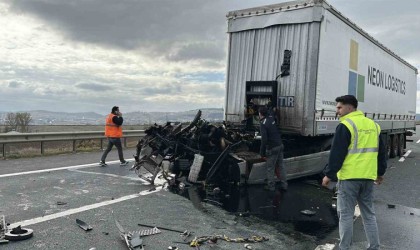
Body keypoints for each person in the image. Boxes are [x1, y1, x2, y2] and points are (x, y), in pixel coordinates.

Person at [322, 95, 387, 250]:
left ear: (350, 108)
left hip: (349, 178)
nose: (337, 111)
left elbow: (337, 154)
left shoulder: (346, 125)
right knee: (369, 214)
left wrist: (329, 175)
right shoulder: (373, 125)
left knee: (345, 215)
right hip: (368, 178)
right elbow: (381, 153)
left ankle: (344, 248)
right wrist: (379, 173)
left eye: (339, 107)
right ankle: (374, 247)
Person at [259, 106, 287, 191]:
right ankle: (284, 185)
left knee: (270, 168)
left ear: (260, 114)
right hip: (280, 145)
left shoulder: (263, 123)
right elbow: (271, 112)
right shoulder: (271, 118)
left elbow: (264, 140)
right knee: (281, 166)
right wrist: (271, 107)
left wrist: (262, 152)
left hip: (272, 148)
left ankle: (271, 187)